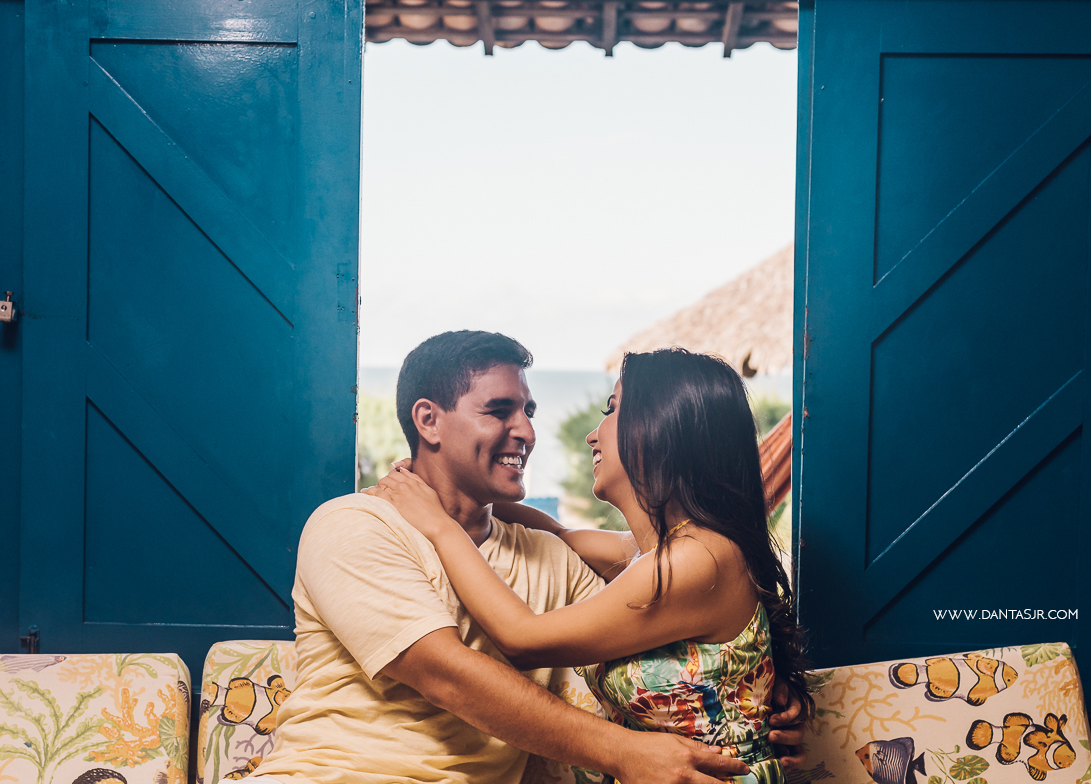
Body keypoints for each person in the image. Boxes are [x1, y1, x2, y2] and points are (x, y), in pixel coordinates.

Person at [248, 331, 806, 784]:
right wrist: (627, 752)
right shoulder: (354, 525)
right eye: (499, 410)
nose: (529, 432)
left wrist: (763, 699)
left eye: (529, 410)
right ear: (428, 421)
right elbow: (450, 676)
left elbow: (673, 646)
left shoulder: (556, 559)